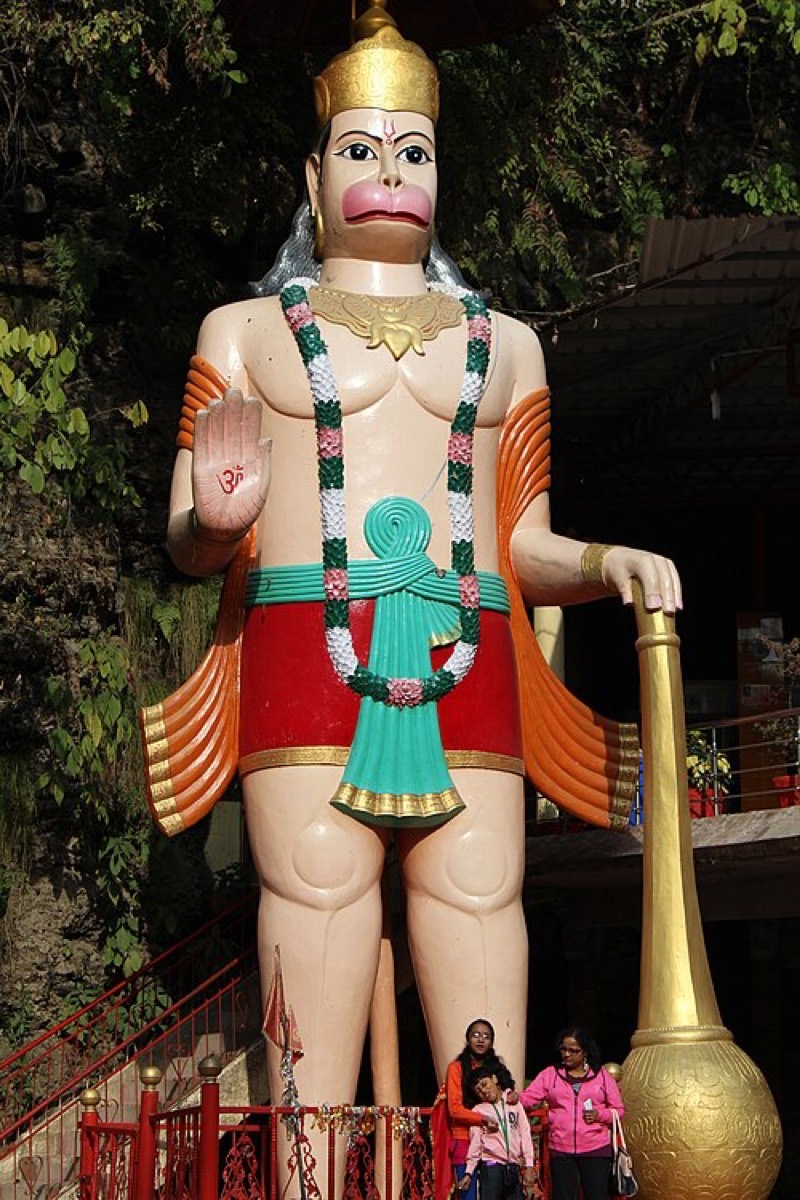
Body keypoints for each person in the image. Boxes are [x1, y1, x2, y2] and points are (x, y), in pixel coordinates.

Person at [142, 0, 681, 1122]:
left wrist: (600, 558)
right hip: (306, 638)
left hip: (465, 642)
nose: (389, 169)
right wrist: (218, 516)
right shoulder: (240, 332)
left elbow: (520, 542)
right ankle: (311, 1166)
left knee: (480, 891)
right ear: (310, 173)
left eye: (414, 150)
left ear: (443, 173)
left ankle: (494, 1159)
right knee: (317, 888)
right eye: (359, 149)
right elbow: (188, 542)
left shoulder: (506, 344)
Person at [518, 1026, 624, 1200]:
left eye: (573, 1050)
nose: (566, 1054)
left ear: (585, 1052)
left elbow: (618, 1110)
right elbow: (528, 1098)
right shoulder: (550, 1075)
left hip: (595, 1149)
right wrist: (511, 1099)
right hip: (560, 1149)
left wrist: (600, 1115)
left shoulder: (602, 1076)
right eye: (563, 1049)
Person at [439, 1020, 515, 1200]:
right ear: (467, 1039)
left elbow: (505, 1098)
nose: (481, 1040)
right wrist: (482, 1120)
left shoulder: (497, 1068)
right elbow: (455, 1109)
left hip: (495, 1141)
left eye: (486, 1036)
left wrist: (513, 1095)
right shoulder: (456, 1068)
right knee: (468, 1195)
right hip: (464, 1138)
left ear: (492, 1042)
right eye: (476, 1035)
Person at [460, 1065, 536, 1200]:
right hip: (491, 1168)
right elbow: (475, 1142)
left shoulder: (514, 1103)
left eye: (484, 1084)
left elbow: (525, 1133)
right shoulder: (479, 1111)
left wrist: (529, 1165)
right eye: (478, 1090)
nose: (483, 1090)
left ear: (494, 1079)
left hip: (513, 1167)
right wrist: (469, 1172)